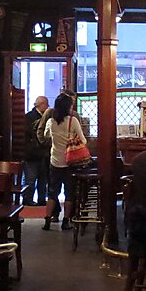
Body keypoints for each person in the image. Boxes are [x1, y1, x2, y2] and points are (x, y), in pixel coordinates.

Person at [42, 93, 85, 231]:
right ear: (68, 107)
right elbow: (83, 140)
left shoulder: (51, 122)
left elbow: (46, 136)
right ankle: (66, 221)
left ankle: (47, 220)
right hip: (70, 161)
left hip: (55, 160)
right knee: (69, 193)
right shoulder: (73, 121)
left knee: (52, 192)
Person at [23, 95, 49, 206]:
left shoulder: (45, 117)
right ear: (41, 104)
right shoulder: (29, 117)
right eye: (46, 104)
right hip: (32, 153)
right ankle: (28, 199)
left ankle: (41, 199)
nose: (47, 107)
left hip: (43, 153)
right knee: (31, 179)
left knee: (43, 178)